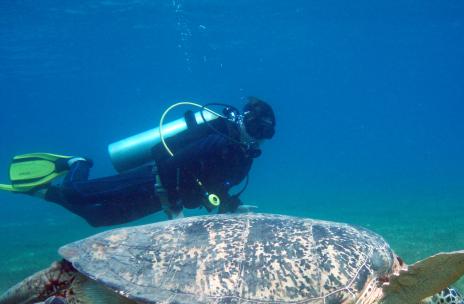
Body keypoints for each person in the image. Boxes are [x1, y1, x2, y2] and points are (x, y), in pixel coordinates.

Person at [2, 97, 275, 227]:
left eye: (267, 134)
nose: (261, 138)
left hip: (162, 199)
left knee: (97, 217)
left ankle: (43, 192)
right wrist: (175, 208)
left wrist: (231, 205)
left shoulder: (244, 155)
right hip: (151, 180)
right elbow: (169, 161)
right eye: (258, 129)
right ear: (247, 122)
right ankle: (78, 162)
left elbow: (218, 183)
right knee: (75, 191)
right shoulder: (219, 140)